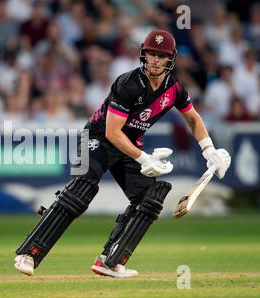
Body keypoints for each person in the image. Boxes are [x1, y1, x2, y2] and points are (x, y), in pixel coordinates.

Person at [14, 30, 232, 278]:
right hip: (97, 138)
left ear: (171, 59)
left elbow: (192, 117)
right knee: (80, 191)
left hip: (128, 144)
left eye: (161, 55)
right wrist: (143, 158)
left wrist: (209, 150)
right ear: (143, 54)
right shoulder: (128, 83)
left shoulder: (175, 88)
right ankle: (28, 253)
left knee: (150, 197)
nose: (155, 60)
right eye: (151, 54)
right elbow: (112, 131)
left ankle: (110, 260)